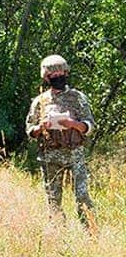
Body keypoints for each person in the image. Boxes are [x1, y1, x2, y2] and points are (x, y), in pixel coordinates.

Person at [26, 54, 95, 224]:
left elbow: (90, 126)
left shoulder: (78, 97)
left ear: (66, 73)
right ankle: (58, 235)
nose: (58, 77)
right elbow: (29, 130)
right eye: (53, 75)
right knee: (53, 200)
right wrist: (41, 127)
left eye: (61, 73)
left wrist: (73, 124)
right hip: (50, 156)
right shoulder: (39, 101)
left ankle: (91, 233)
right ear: (46, 77)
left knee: (82, 197)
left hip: (75, 155)